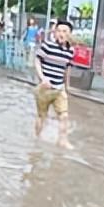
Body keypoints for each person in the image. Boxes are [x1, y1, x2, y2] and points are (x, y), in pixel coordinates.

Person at [34, 20, 75, 149]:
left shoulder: (70, 51)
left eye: (64, 31)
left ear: (69, 34)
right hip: (45, 89)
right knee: (42, 116)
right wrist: (42, 78)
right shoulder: (48, 46)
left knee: (64, 115)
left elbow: (67, 69)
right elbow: (37, 60)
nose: (61, 34)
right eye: (59, 31)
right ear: (55, 33)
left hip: (59, 89)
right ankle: (36, 138)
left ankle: (62, 140)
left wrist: (66, 87)